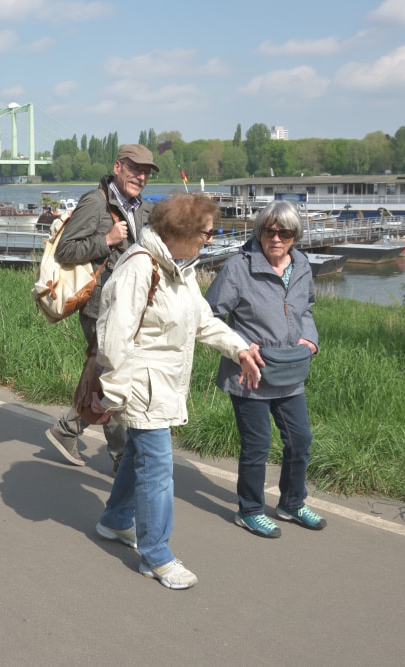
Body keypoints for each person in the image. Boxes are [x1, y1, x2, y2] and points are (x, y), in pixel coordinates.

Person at [90, 193, 262, 589]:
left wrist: (239, 349)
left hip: (164, 386)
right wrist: (114, 396)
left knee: (138, 458)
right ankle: (156, 556)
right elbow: (113, 339)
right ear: (179, 233)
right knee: (158, 471)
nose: (210, 237)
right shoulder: (139, 268)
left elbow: (203, 320)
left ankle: (115, 520)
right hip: (142, 387)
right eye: (205, 231)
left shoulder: (179, 268)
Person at [204, 200, 327, 538]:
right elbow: (208, 316)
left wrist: (310, 340)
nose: (276, 238)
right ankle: (250, 509)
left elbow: (306, 310)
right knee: (257, 445)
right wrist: (240, 347)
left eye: (284, 232)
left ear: (294, 235)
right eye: (268, 231)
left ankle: (291, 502)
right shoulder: (237, 268)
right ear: (259, 232)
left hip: (289, 371)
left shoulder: (301, 266)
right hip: (249, 373)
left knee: (300, 440)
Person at [46, 143, 158, 470]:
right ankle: (121, 459)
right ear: (118, 167)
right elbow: (65, 250)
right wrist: (106, 240)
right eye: (135, 169)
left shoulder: (139, 207)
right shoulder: (95, 202)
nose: (141, 176)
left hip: (129, 305)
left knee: (110, 376)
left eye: (146, 172)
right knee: (114, 374)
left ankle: (68, 429)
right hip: (100, 307)